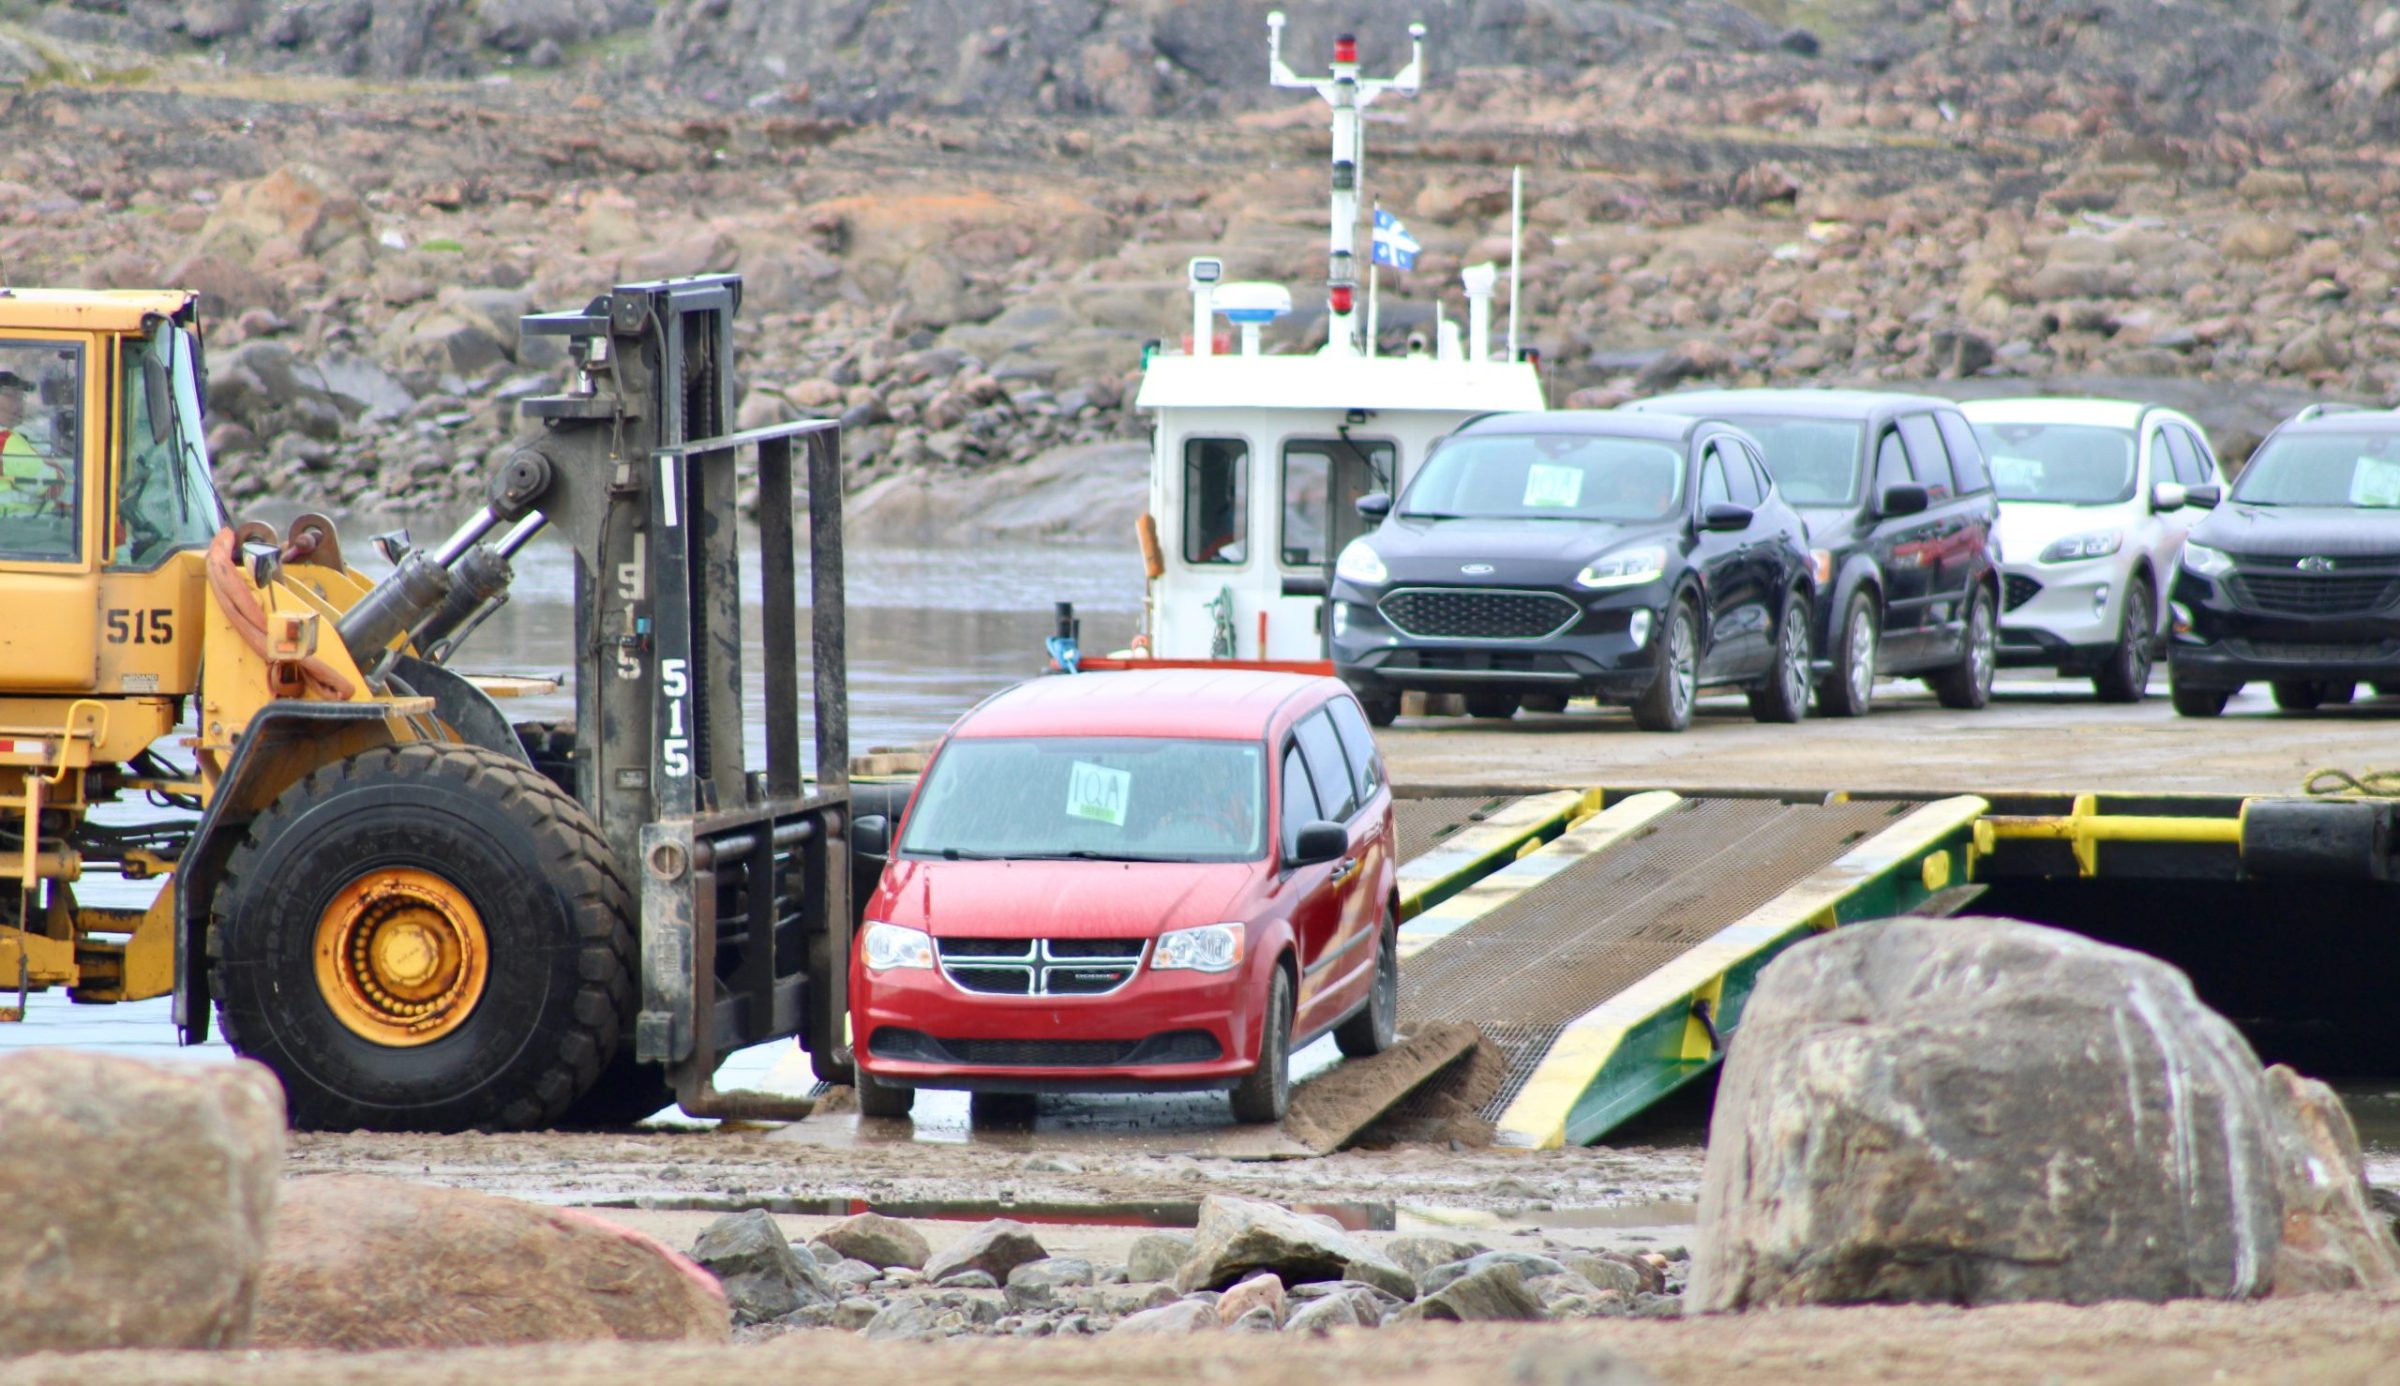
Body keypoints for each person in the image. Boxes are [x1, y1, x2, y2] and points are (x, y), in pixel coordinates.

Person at [0, 370, 65, 523]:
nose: (20, 404)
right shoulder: (6, 442)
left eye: (21, 397)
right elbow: (52, 487)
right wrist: (55, 466)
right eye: (12, 396)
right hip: (20, 533)